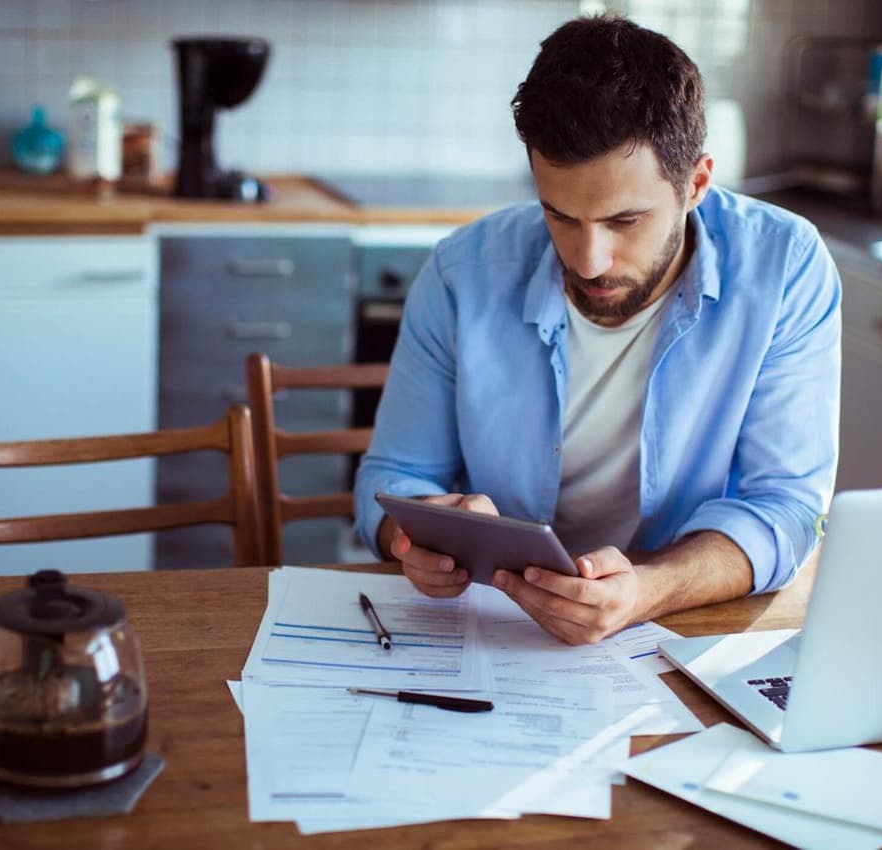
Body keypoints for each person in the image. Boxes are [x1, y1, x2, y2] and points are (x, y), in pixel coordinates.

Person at [354, 16, 841, 645]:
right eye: (559, 215)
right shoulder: (462, 273)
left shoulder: (785, 269)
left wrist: (647, 589)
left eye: (625, 220)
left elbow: (791, 508)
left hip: (682, 632)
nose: (588, 261)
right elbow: (392, 477)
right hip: (496, 634)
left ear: (695, 184)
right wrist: (411, 535)